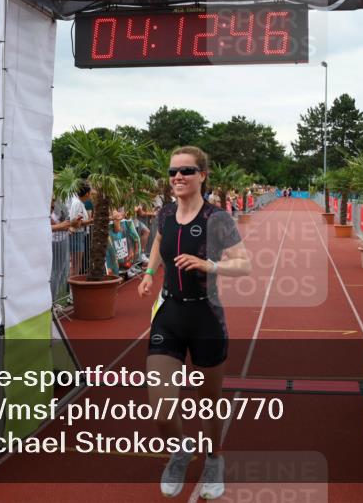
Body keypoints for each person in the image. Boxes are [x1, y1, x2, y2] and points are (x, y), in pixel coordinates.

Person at [137, 146, 251, 499]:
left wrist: (209, 265)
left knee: (209, 404)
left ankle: (214, 459)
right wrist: (149, 273)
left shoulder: (218, 219)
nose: (178, 177)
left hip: (205, 317)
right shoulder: (165, 213)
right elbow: (159, 241)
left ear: (202, 175)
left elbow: (244, 263)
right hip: (168, 315)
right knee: (161, 410)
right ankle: (181, 450)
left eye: (186, 171)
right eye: (173, 172)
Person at [68, 184, 94, 277]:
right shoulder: (77, 203)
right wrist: (90, 221)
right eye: (90, 193)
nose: (91, 195)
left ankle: (72, 283)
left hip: (79, 235)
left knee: (77, 264)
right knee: (76, 264)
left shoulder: (79, 203)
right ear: (87, 194)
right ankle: (71, 283)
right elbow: (76, 222)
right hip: (76, 235)